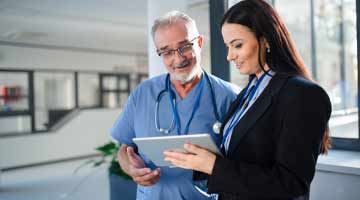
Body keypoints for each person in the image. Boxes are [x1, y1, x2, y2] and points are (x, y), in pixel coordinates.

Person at [163, 1, 332, 200]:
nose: (229, 56)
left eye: (238, 45)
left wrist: (213, 165)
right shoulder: (249, 92)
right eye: (228, 46)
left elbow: (291, 184)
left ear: (267, 40)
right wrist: (201, 160)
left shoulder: (302, 94)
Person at [110, 10, 239, 200]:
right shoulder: (142, 94)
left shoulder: (229, 97)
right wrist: (131, 169)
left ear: (200, 43)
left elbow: (243, 164)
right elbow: (125, 147)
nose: (178, 58)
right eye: (167, 51)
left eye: (185, 46)